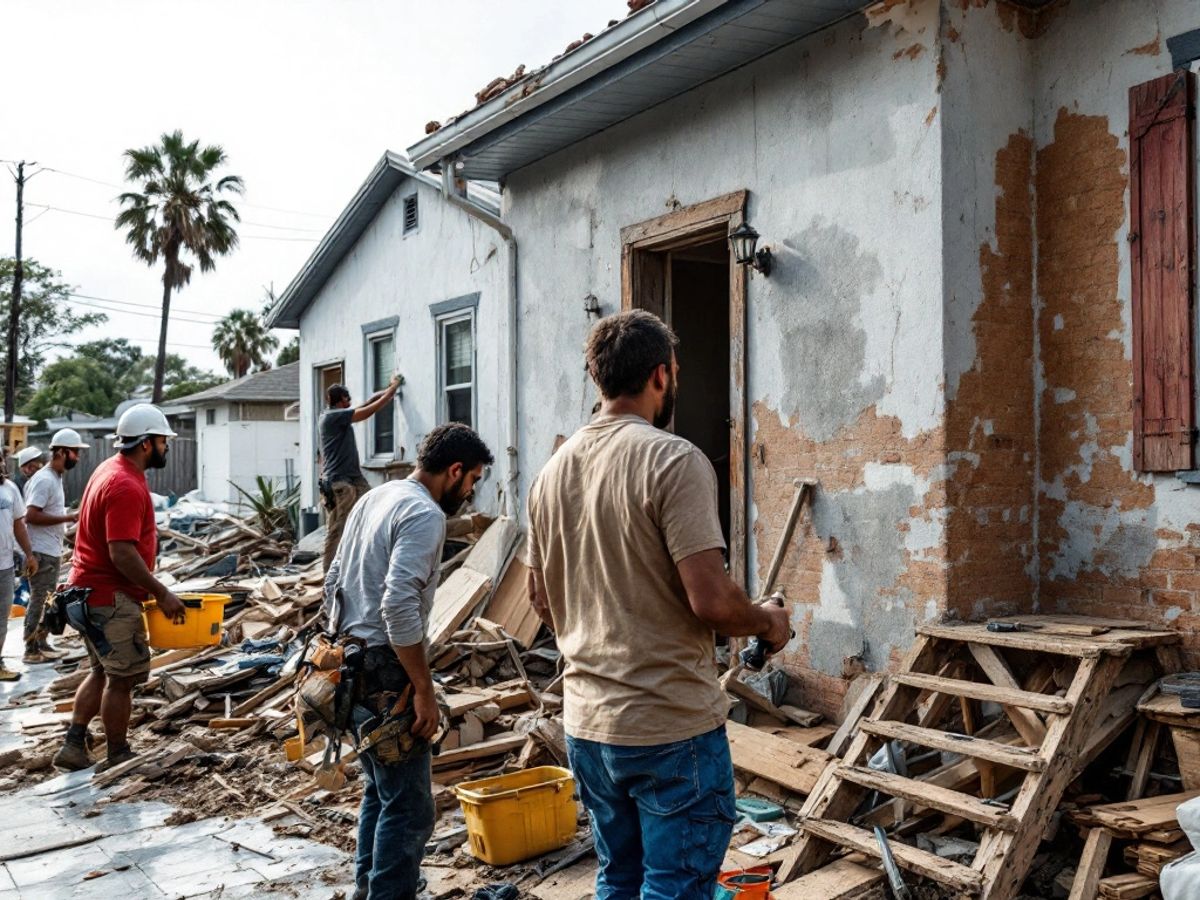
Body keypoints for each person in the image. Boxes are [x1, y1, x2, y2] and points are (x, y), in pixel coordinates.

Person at [525, 310, 791, 899]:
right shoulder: (673, 460)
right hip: (667, 728)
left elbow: (541, 599)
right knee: (674, 888)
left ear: (599, 379)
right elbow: (714, 603)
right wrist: (767, 621)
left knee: (618, 877)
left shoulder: (549, 475)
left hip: (588, 726)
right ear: (661, 376)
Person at [324, 422, 493, 900]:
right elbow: (397, 605)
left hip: (350, 659)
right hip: (384, 669)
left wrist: (340, 643)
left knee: (382, 790)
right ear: (454, 470)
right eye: (473, 480)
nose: (471, 490)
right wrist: (421, 688)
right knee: (411, 807)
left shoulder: (376, 498)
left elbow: (333, 577)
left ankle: (369, 888)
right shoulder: (424, 514)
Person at [52, 405, 186, 772]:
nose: (166, 447)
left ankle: (74, 745)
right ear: (146, 444)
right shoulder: (125, 484)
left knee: (100, 671)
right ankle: (118, 754)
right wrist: (161, 592)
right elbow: (121, 552)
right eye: (162, 441)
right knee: (122, 678)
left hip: (89, 592)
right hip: (110, 597)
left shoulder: (109, 470)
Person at [22, 428, 89, 664]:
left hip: (50, 549)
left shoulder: (54, 477)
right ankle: (31, 650)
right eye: (74, 453)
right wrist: (68, 518)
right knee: (39, 600)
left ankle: (42, 642)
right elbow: (31, 516)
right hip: (41, 552)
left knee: (48, 599)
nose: (77, 458)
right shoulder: (44, 479)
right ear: (61, 451)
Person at [320, 378, 401, 570]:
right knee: (338, 529)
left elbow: (364, 405)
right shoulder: (332, 417)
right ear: (341, 400)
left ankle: (366, 561)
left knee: (374, 509)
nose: (350, 402)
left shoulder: (338, 414)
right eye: (347, 398)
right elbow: (366, 412)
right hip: (340, 484)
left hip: (353, 479)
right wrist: (390, 393)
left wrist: (385, 390)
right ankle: (329, 573)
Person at [0, 459, 38, 682]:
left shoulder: (10, 488)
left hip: (4, 567)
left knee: (2, 619)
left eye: (2, 462)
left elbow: (18, 525)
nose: (2, 466)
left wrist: (29, 554)